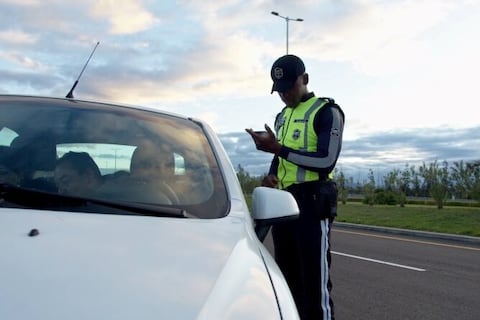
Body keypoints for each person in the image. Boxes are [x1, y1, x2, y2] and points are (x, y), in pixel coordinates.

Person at [246, 54, 345, 320]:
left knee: (314, 286)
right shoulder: (282, 116)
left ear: (305, 79)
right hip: (284, 204)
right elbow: (281, 159)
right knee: (287, 281)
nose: (284, 95)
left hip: (313, 203)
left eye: (289, 87)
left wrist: (278, 148)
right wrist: (271, 175)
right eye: (279, 90)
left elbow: (326, 160)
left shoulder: (327, 112)